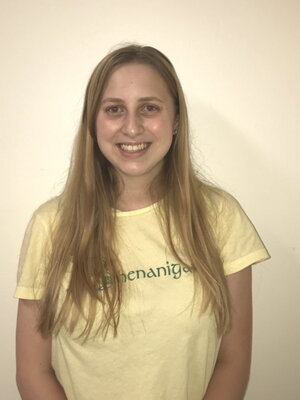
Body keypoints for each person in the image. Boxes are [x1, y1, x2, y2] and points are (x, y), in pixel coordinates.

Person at [15, 44, 270, 400]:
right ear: (93, 121)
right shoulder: (51, 225)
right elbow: (33, 372)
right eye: (114, 109)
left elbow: (233, 359)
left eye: (149, 108)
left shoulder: (220, 217)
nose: (131, 127)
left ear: (177, 119)